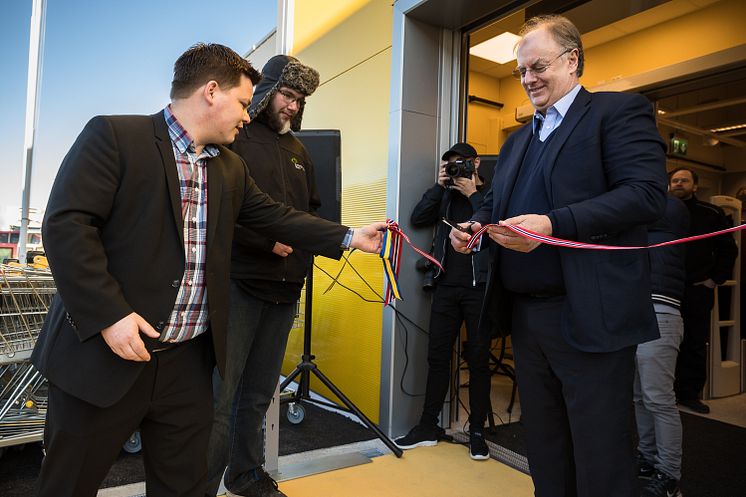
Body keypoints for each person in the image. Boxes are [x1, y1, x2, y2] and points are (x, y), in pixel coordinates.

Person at [31, 43, 385, 497]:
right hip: (107, 354)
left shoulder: (230, 168)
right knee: (67, 484)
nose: (246, 115)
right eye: (242, 103)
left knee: (186, 487)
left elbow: (276, 216)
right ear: (211, 92)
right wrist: (108, 315)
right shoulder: (116, 137)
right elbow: (67, 225)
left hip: (186, 365)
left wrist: (350, 236)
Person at [450, 14, 667, 497]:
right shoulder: (516, 142)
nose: (528, 79)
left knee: (601, 451)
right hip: (528, 317)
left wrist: (554, 224)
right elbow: (492, 205)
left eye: (538, 66)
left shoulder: (618, 112)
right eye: (521, 71)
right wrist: (475, 228)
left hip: (590, 311)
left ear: (573, 60)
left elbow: (647, 194)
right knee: (545, 447)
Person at [205, 54, 322, 497]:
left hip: (285, 289)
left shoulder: (300, 151)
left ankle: (244, 474)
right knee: (222, 395)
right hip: (240, 284)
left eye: (300, 100)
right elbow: (217, 211)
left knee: (258, 395)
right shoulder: (236, 137)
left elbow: (312, 211)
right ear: (269, 91)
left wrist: (306, 253)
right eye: (287, 96)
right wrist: (264, 242)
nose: (292, 107)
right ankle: (202, 482)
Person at [393, 142, 492, 460]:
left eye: (460, 163)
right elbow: (418, 217)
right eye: (450, 164)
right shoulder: (445, 195)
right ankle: (427, 427)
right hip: (446, 286)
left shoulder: (490, 194)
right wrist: (439, 187)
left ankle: (477, 431)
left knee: (478, 361)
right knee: (437, 358)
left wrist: (471, 192)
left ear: (475, 163)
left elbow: (493, 226)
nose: (456, 169)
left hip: (479, 289)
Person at [669, 167, 737, 414]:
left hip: (697, 289)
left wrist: (714, 280)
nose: (679, 184)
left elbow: (728, 250)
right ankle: (664, 392)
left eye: (684, 180)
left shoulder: (711, 214)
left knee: (694, 342)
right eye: (675, 180)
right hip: (665, 290)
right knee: (661, 343)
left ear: (695, 186)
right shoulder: (658, 213)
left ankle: (689, 394)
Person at [635, 195, 689, 497]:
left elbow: (643, 211)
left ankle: (669, 473)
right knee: (641, 397)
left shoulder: (671, 209)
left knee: (658, 398)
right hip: (638, 313)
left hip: (661, 313)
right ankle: (647, 458)